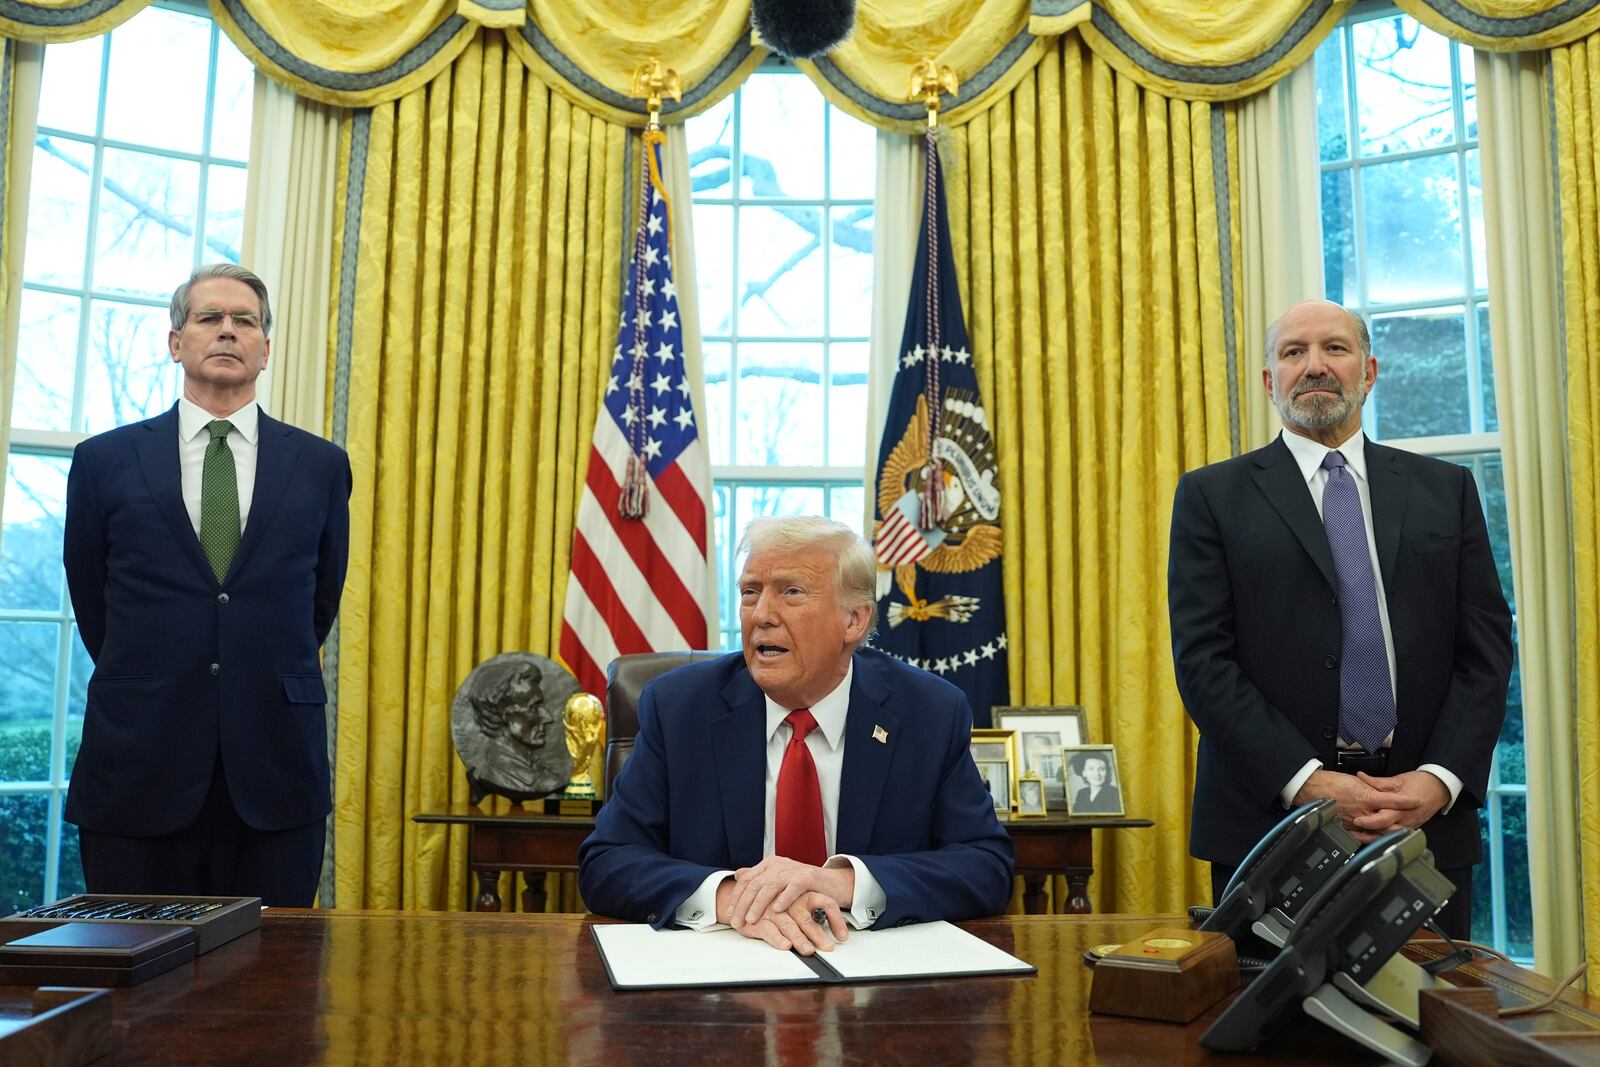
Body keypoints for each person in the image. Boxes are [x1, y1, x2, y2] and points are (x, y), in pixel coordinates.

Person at [1167, 299, 1512, 939]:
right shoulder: (1212, 496)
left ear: (1369, 370)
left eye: (1335, 348)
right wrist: (1307, 783)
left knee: (1429, 1024)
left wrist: (1439, 780)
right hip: (1268, 823)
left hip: (1426, 821)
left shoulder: (1447, 490)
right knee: (1272, 1027)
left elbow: (1485, 654)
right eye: (1293, 352)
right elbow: (1203, 663)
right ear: (1271, 381)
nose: (1314, 366)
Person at [578, 516, 1014, 954]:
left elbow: (986, 866)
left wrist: (840, 882)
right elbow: (608, 861)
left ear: (854, 621)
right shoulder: (679, 709)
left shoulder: (929, 712)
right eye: (750, 592)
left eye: (791, 592)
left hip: (872, 977)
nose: (762, 615)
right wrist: (733, 899)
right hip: (721, 977)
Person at [63, 264, 351, 907]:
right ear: (175, 341)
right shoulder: (104, 462)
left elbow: (318, 602)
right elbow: (93, 600)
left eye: (245, 320)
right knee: (134, 988)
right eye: (209, 318)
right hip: (138, 767)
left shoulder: (320, 467)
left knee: (274, 991)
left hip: (274, 774)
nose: (228, 331)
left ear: (266, 349)